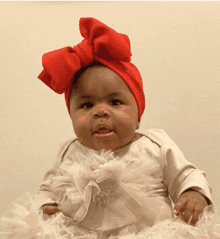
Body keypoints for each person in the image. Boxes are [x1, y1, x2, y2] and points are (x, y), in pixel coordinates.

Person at [0, 17, 218, 239]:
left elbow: (186, 174)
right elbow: (47, 190)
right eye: (86, 105)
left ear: (137, 115)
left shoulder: (155, 145)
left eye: (115, 102)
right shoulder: (69, 152)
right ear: (72, 116)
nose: (100, 112)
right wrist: (45, 206)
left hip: (150, 233)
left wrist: (192, 192)